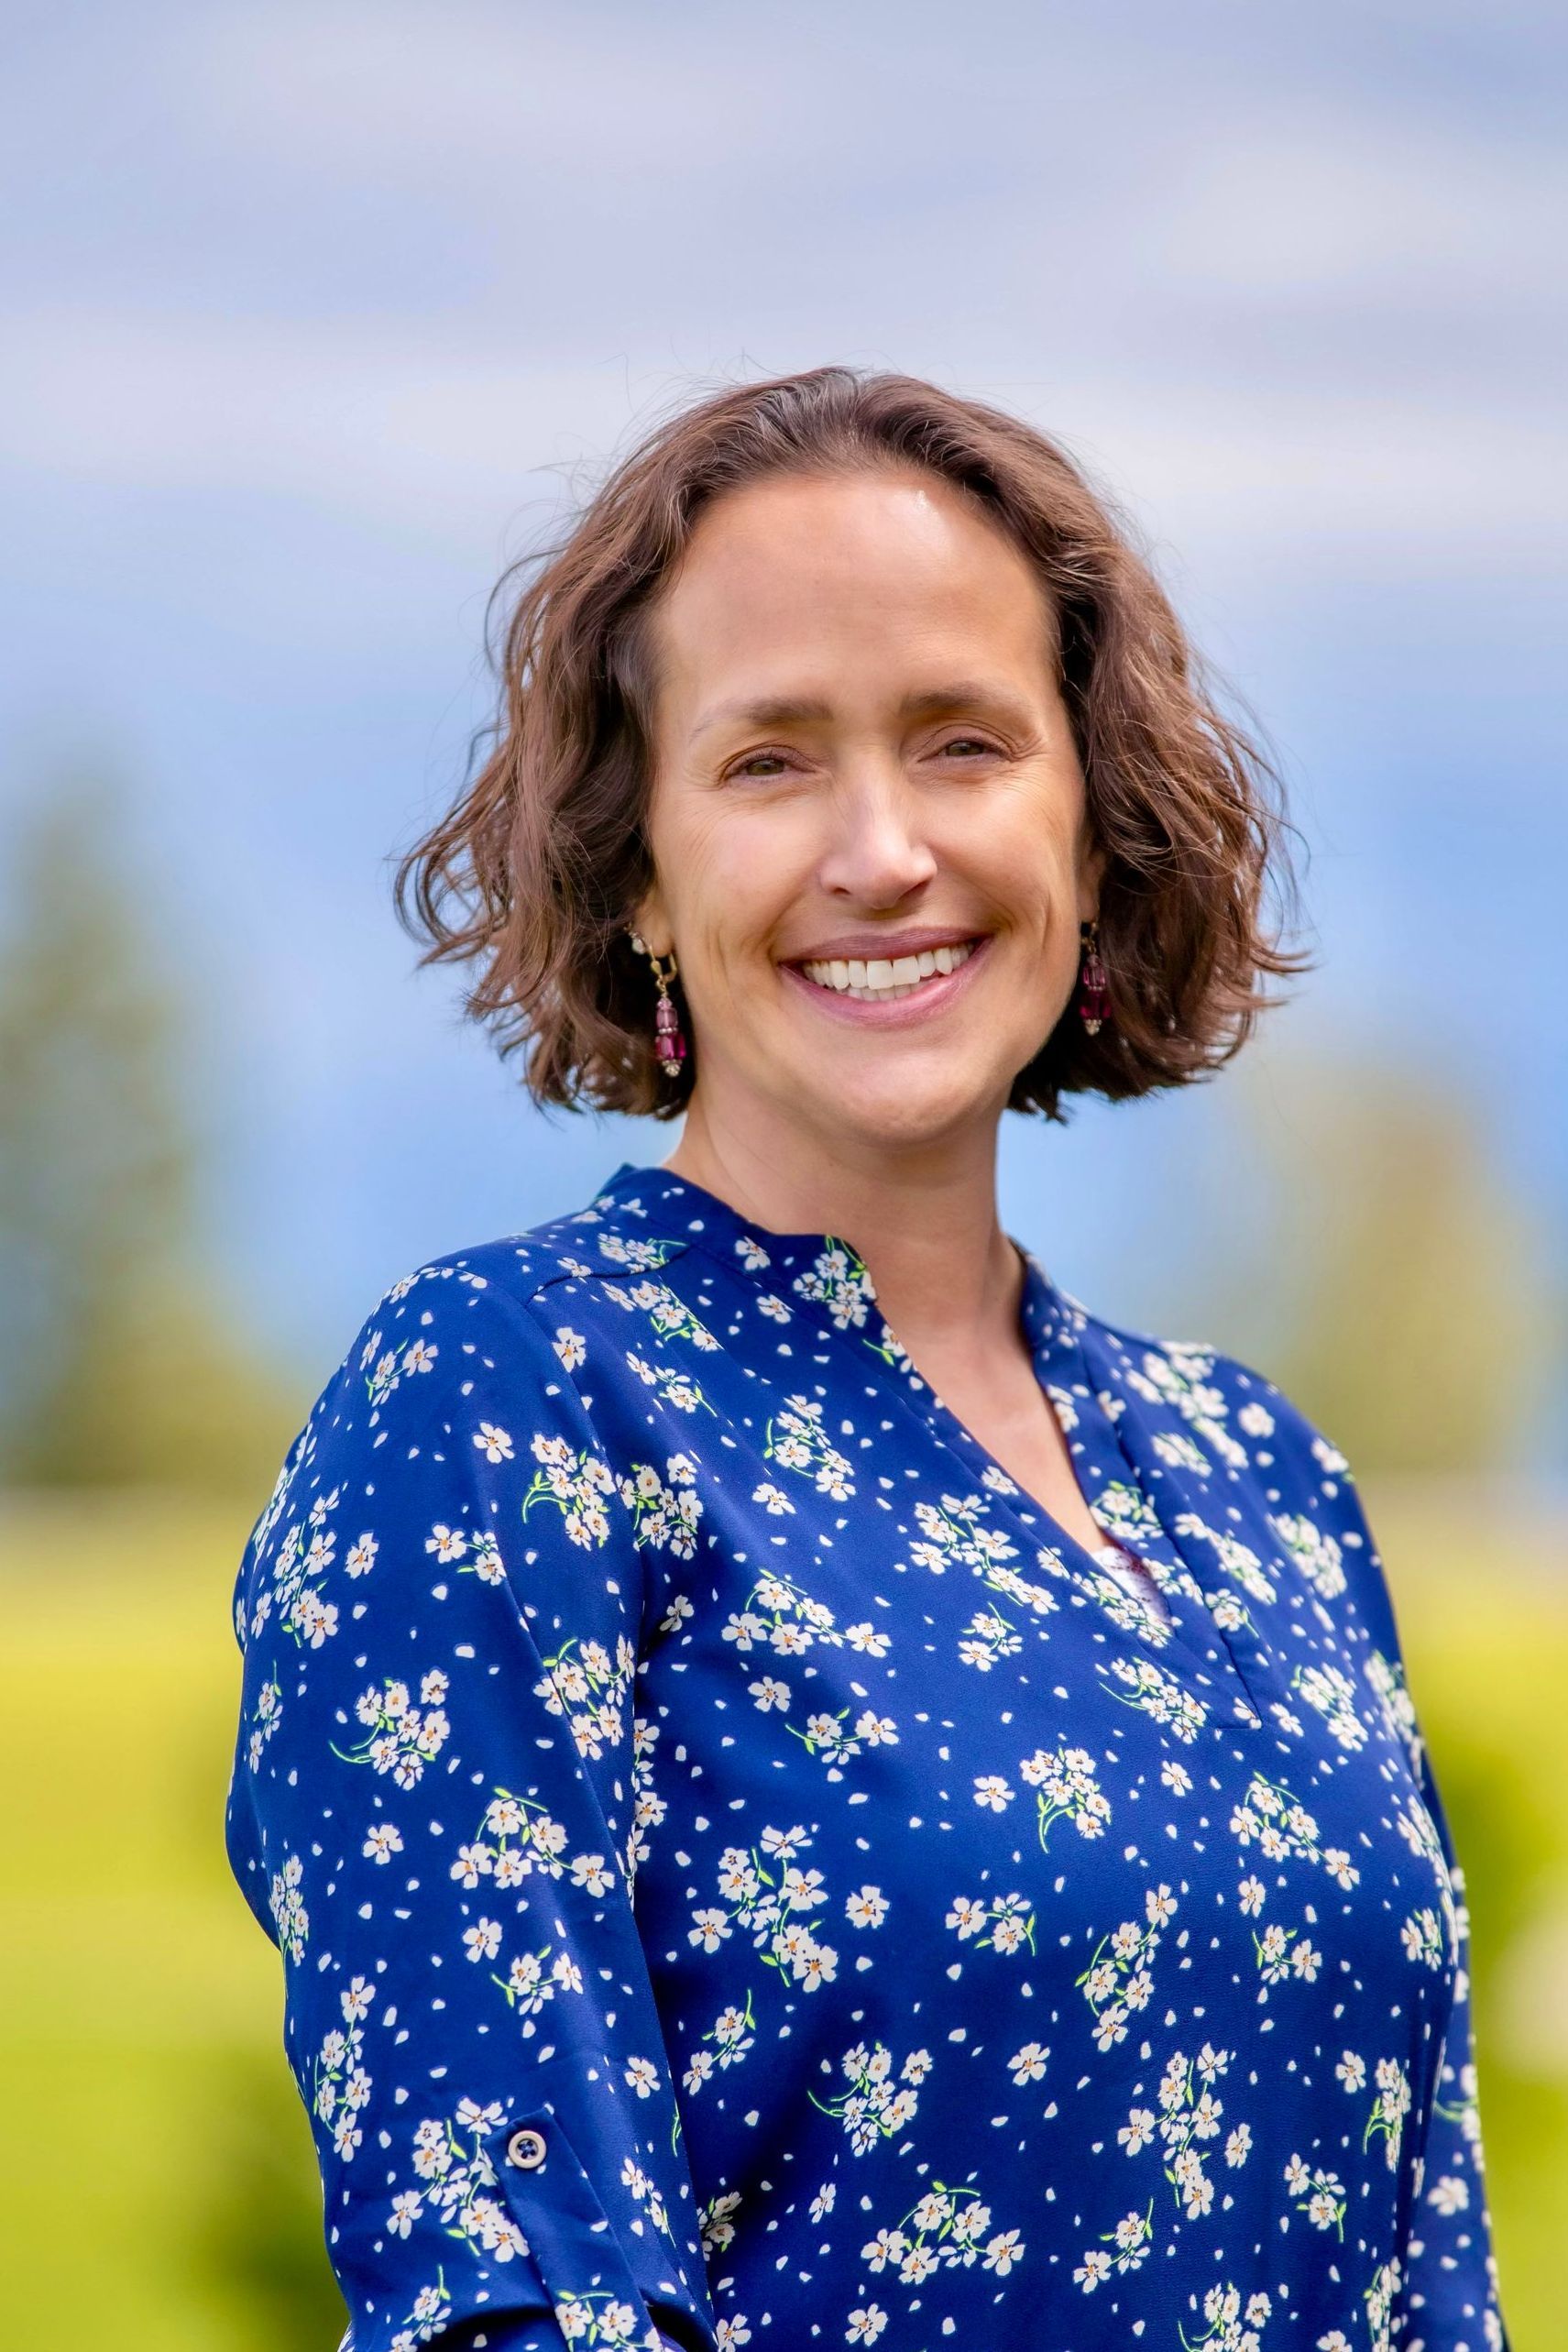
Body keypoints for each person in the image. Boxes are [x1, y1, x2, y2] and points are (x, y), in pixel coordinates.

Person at [224, 368, 1507, 2352]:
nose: (883, 848)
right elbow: (522, 2296)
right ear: (635, 867)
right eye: (768, 762)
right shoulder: (502, 1405)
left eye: (962, 741)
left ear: (1090, 823)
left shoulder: (1257, 1469)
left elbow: (1431, 2265)